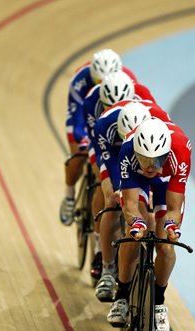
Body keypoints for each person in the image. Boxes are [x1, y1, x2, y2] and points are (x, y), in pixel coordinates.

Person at [106, 116, 192, 331]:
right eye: (145, 158)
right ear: (136, 151)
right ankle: (122, 295)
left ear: (166, 152)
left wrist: (172, 226)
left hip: (167, 184)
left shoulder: (180, 151)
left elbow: (174, 207)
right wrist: (136, 223)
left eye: (157, 159)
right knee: (133, 235)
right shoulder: (127, 150)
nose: (151, 166)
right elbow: (131, 207)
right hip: (137, 180)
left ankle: (159, 302)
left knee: (165, 246)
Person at [94, 100, 172, 302]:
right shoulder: (104, 124)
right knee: (111, 201)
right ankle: (107, 269)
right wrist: (117, 188)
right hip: (116, 155)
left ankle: (141, 265)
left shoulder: (160, 124)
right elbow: (110, 162)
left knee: (149, 214)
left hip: (145, 159)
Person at [60, 49, 136, 227]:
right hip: (89, 117)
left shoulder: (129, 81)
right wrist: (84, 140)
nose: (102, 83)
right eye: (98, 82)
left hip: (118, 122)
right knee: (78, 157)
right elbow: (77, 122)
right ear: (93, 77)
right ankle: (69, 196)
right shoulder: (80, 82)